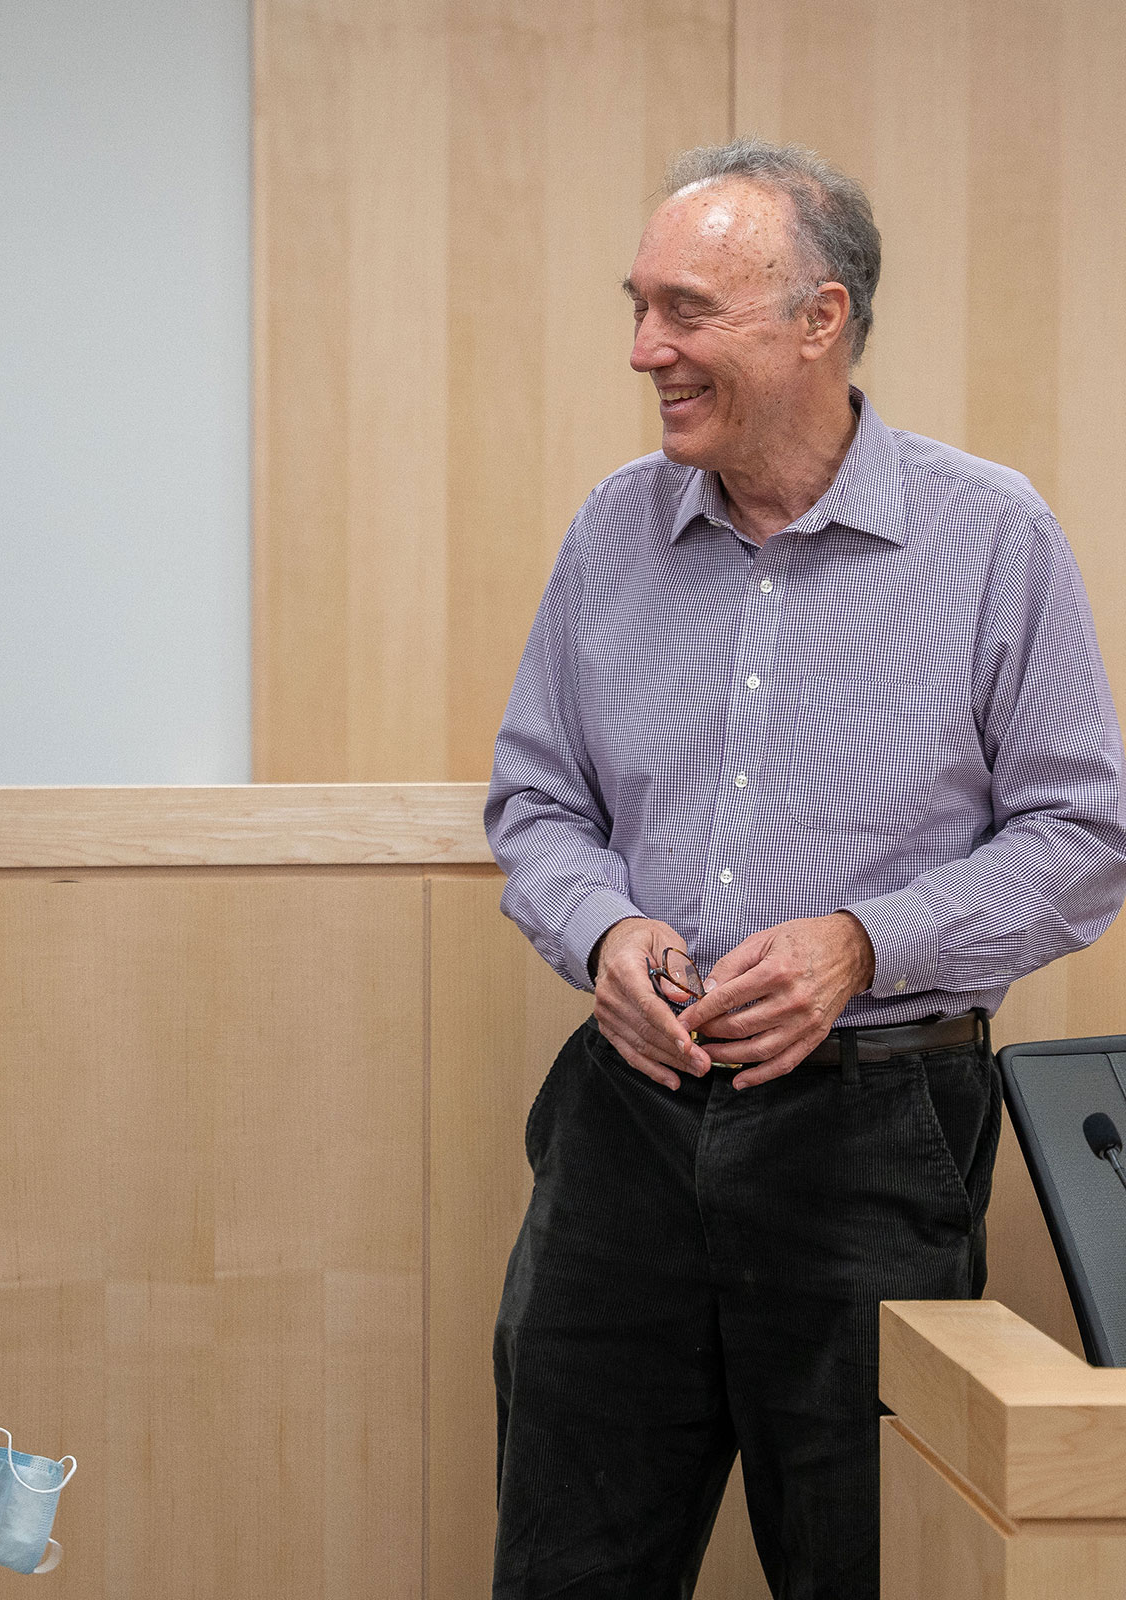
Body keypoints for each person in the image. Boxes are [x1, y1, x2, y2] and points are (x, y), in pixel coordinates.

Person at [485, 138, 1126, 1599]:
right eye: (641, 306)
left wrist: (865, 942)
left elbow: (1083, 834)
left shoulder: (991, 535)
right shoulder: (610, 531)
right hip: (622, 1129)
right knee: (565, 1567)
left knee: (867, 1566)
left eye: (688, 311)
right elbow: (534, 799)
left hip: (873, 1134)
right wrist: (600, 934)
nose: (647, 348)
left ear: (819, 320)